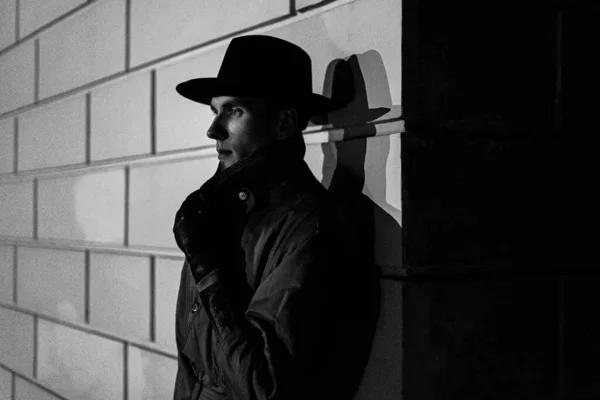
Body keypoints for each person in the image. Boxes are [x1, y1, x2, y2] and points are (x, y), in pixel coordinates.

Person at [172, 35, 380, 400]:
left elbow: (265, 386)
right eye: (214, 110)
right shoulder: (217, 214)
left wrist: (210, 271)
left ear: (284, 123)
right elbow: (191, 370)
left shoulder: (311, 226)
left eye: (234, 111)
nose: (213, 130)